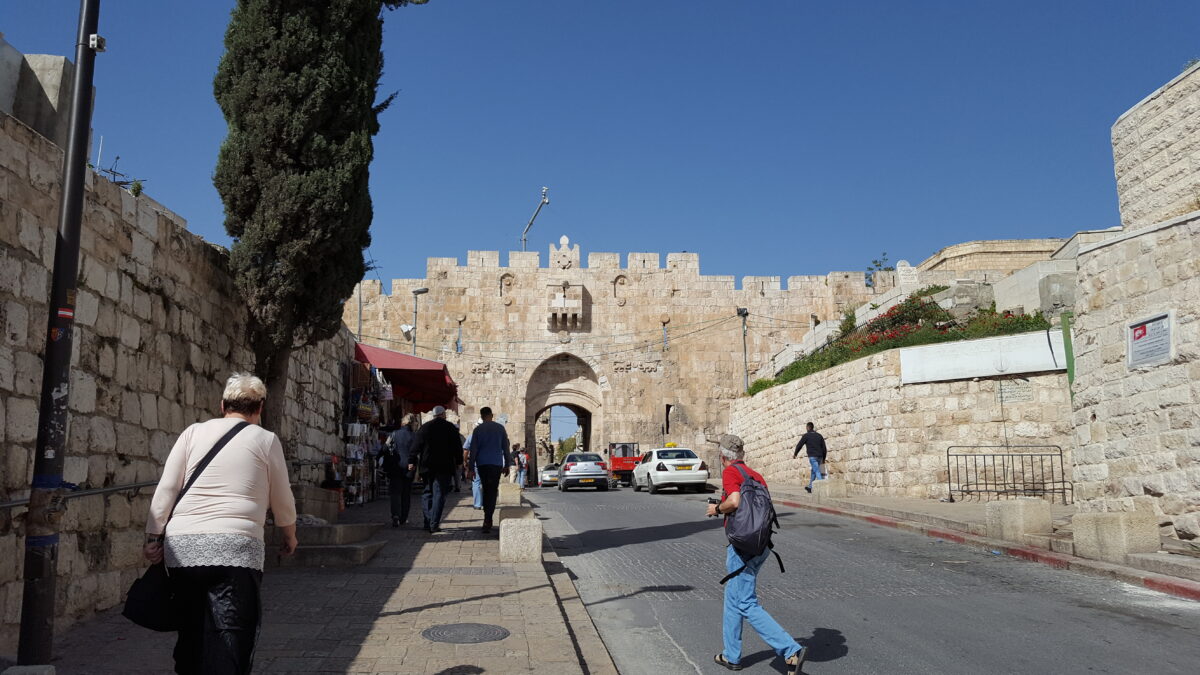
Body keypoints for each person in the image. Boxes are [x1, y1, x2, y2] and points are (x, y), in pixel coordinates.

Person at [143, 373, 298, 675]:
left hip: (184, 547)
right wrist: (289, 533)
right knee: (231, 631)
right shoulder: (266, 440)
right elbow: (282, 496)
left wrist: (153, 535)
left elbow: (167, 488)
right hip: (237, 549)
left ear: (222, 405)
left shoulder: (192, 433)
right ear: (260, 407)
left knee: (190, 628)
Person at [707, 434, 805, 674]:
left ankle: (790, 649)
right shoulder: (755, 475)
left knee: (745, 602)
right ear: (742, 455)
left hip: (743, 549)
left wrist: (716, 509)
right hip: (761, 545)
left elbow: (735, 500)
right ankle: (732, 656)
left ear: (723, 457)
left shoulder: (730, 473)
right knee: (733, 600)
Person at [413, 405, 463, 533]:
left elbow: (416, 446)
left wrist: (411, 460)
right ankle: (433, 523)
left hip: (427, 466)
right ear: (443, 414)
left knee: (427, 493)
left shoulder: (425, 427)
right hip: (444, 466)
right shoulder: (450, 428)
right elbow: (457, 447)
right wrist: (459, 462)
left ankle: (428, 521)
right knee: (439, 494)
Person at [467, 406, 512, 533]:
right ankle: (488, 518)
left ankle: (487, 518)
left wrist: (471, 468)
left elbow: (473, 450)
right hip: (496, 464)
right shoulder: (500, 429)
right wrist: (507, 464)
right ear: (491, 415)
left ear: (481, 416)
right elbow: (506, 448)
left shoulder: (477, 430)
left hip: (482, 464)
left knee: (486, 489)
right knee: (492, 491)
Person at [382, 414, 418, 527]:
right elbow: (417, 452)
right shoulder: (415, 436)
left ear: (403, 423)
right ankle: (404, 517)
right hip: (409, 467)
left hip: (395, 467)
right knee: (406, 493)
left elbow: (385, 448)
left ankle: (395, 516)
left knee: (395, 493)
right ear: (412, 423)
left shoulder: (394, 434)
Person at [792, 422, 827, 493]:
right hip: (820, 456)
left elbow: (799, 445)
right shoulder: (819, 435)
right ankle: (810, 487)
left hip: (813, 457)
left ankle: (822, 489)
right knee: (813, 471)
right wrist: (824, 458)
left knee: (817, 471)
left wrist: (795, 453)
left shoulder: (806, 436)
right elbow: (824, 448)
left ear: (808, 427)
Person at [465, 420, 484, 510]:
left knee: (476, 483)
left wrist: (465, 461)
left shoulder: (471, 437)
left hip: (476, 463)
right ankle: (485, 503)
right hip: (488, 463)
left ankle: (477, 504)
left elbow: (465, 450)